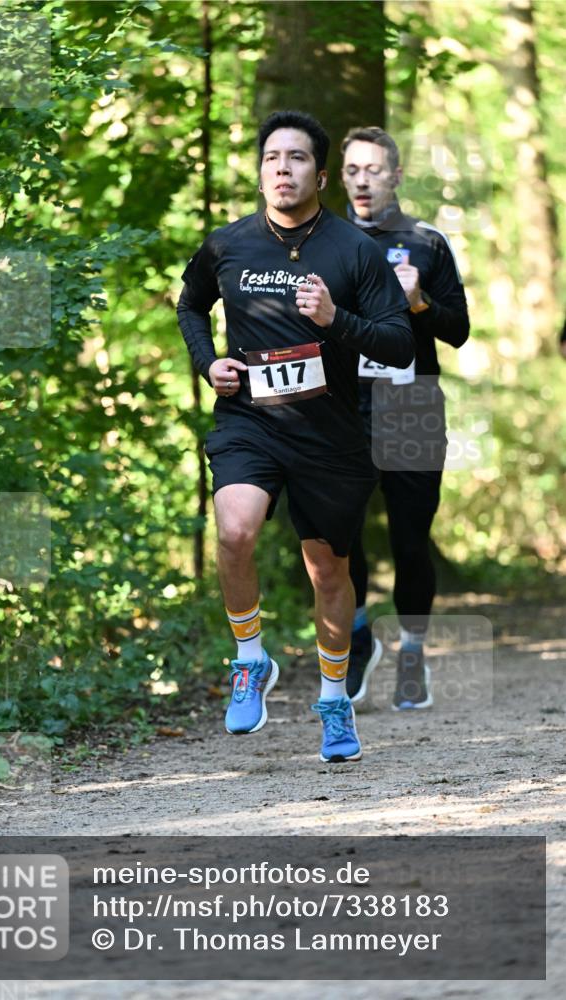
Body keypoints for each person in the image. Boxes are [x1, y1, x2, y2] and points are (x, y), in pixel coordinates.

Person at [177, 110, 414, 762]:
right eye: (271, 158)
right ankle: (250, 659)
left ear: (320, 172)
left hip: (330, 435)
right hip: (249, 419)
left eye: (297, 158)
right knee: (234, 529)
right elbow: (190, 303)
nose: (282, 169)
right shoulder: (227, 245)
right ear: (260, 171)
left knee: (327, 571)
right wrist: (208, 363)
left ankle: (334, 700)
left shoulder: (353, 251)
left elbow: (397, 342)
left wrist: (336, 320)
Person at [339, 126, 470, 711]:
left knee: (411, 540)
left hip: (411, 403)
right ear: (338, 177)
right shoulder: (320, 239)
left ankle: (412, 651)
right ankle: (360, 634)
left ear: (394, 176)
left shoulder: (426, 241)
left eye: (373, 169)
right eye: (351, 170)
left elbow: (459, 330)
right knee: (340, 536)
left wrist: (419, 303)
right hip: (341, 406)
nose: (362, 180)